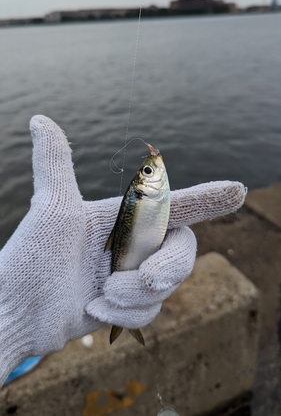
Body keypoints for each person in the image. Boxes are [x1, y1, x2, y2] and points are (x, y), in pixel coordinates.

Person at [0, 115, 246, 386]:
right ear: (142, 189)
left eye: (147, 171)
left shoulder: (150, 196)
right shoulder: (145, 195)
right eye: (148, 173)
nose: (153, 168)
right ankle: (124, 324)